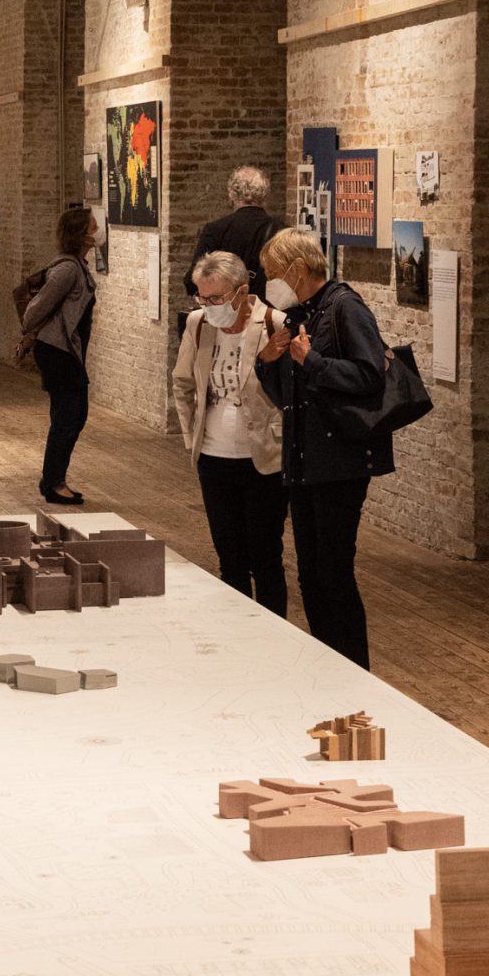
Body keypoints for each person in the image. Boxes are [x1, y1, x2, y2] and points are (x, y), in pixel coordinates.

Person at [254, 226, 391, 666]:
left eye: (271, 273)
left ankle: (354, 670)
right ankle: (326, 664)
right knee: (310, 576)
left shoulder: (345, 307)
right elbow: (286, 396)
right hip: (303, 461)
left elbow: (371, 376)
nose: (267, 283)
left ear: (297, 268)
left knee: (334, 573)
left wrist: (310, 360)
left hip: (339, 463)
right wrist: (267, 363)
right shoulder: (300, 314)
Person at [173, 249, 288, 611]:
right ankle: (238, 628)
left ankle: (276, 634)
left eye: (216, 298)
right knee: (229, 554)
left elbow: (286, 393)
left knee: (265, 555)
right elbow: (183, 383)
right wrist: (192, 436)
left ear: (242, 291)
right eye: (201, 297)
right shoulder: (199, 323)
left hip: (262, 457)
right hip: (214, 456)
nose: (209, 305)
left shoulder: (274, 323)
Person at [19, 202, 98, 505]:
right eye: (93, 228)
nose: (97, 232)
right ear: (80, 234)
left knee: (69, 416)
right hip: (58, 351)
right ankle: (53, 483)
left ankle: (53, 479)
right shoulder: (67, 269)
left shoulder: (77, 266)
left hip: (66, 351)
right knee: (70, 416)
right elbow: (33, 311)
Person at [188, 165, 280, 303]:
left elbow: (192, 281)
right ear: (265, 194)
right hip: (271, 313)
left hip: (227, 312)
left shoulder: (215, 230)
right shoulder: (282, 232)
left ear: (231, 195)